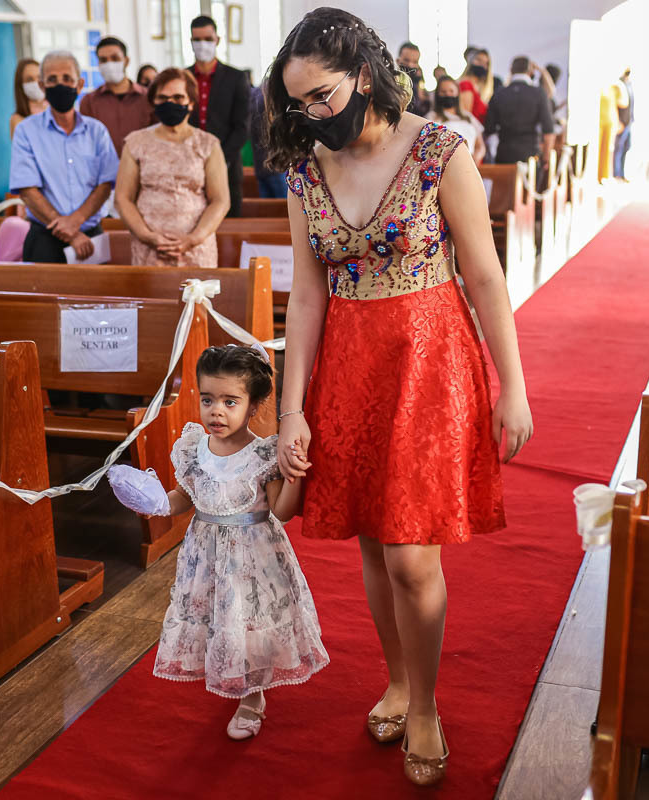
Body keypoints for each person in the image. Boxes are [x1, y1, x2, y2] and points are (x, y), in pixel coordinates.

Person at [267, 7, 532, 786]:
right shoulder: (306, 168)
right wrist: (291, 407)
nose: (313, 115)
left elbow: (484, 275)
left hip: (428, 361)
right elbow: (306, 295)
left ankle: (426, 706)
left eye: (322, 96)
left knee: (412, 555)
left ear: (363, 75)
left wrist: (513, 386)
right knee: (373, 544)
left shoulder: (440, 151)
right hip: (349, 365)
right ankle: (399, 680)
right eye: (299, 104)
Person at [129, 344, 328, 739]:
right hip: (206, 556)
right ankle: (229, 675)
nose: (216, 411)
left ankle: (252, 698)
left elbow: (282, 512)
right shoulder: (193, 450)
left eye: (229, 401)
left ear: (253, 406)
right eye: (208, 399)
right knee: (218, 619)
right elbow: (184, 498)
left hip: (252, 557)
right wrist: (155, 502)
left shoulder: (263, 455)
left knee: (247, 621)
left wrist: (293, 476)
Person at [10, 50, 118, 263]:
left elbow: (105, 184)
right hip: (44, 238)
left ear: (79, 84)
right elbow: (27, 190)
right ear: (42, 86)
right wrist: (70, 233)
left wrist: (76, 221)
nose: (60, 85)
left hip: (91, 236)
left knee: (95, 286)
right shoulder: (26, 131)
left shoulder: (97, 131)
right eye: (52, 80)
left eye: (67, 78)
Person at [115, 68, 228, 268]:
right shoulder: (136, 143)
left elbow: (220, 200)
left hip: (196, 249)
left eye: (178, 97)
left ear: (190, 102)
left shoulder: (208, 144)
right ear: (154, 102)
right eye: (163, 98)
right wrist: (146, 235)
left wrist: (194, 238)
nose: (170, 103)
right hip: (149, 248)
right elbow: (123, 198)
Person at [188, 14, 250, 217]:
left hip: (227, 166)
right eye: (197, 39)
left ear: (217, 40)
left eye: (207, 39)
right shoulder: (184, 77)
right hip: (189, 165)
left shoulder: (236, 77)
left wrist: (217, 158)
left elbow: (242, 127)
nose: (202, 44)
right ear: (191, 42)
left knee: (228, 223)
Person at [79, 36, 154, 156]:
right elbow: (86, 142)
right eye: (103, 60)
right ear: (98, 64)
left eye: (115, 58)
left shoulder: (148, 98)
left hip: (144, 164)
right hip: (104, 167)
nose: (109, 64)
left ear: (126, 61)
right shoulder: (89, 102)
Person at [483, 56, 555, 165]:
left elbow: (489, 129)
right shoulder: (538, 93)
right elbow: (548, 130)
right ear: (531, 72)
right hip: (531, 156)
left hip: (504, 155)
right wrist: (546, 157)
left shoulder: (499, 93)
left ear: (511, 70)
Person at [429, 76, 486, 164]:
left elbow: (480, 145)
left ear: (457, 93)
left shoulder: (468, 116)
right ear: (438, 94)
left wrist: (477, 157)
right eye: (443, 92)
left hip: (471, 163)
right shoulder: (432, 117)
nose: (448, 94)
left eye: (451, 91)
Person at [249, 79, 287, 198]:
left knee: (272, 206)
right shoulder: (274, 93)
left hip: (261, 166)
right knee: (285, 207)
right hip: (278, 165)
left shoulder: (254, 95)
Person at [10, 57, 46, 140]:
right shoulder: (17, 120)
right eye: (30, 79)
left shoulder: (55, 110)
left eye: (39, 77)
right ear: (21, 85)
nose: (36, 83)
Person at [458, 49, 494, 123]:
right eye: (479, 60)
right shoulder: (466, 85)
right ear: (471, 61)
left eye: (486, 63)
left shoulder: (479, 88)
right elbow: (466, 117)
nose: (482, 65)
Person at [396, 41, 430, 116]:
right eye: (406, 60)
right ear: (398, 60)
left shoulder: (419, 83)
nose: (410, 65)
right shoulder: (390, 82)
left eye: (415, 62)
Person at [612, 68, 633, 179]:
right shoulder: (620, 85)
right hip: (622, 122)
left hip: (629, 121)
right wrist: (619, 121)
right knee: (618, 148)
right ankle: (617, 174)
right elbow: (617, 105)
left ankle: (622, 174)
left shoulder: (629, 85)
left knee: (626, 147)